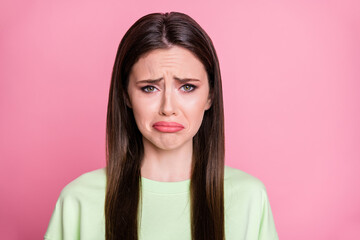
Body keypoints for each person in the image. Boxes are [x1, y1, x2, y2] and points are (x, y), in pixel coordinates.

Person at [44, 12, 279, 240]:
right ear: (126, 95)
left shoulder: (250, 198)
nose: (168, 108)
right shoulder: (78, 201)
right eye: (149, 88)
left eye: (187, 87)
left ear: (210, 96)